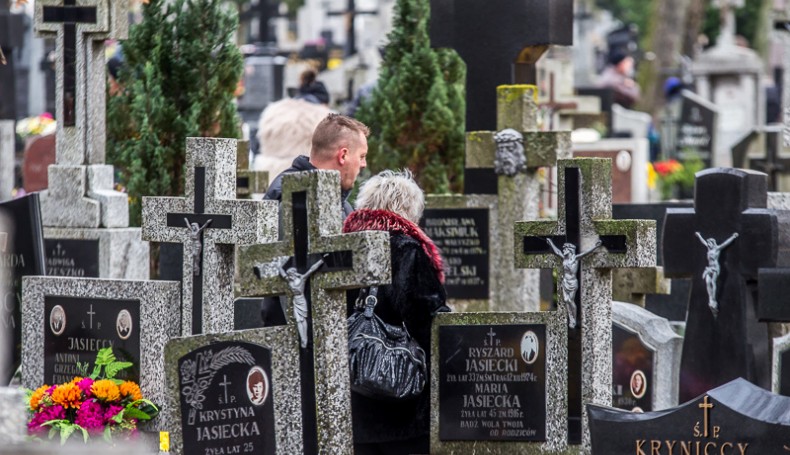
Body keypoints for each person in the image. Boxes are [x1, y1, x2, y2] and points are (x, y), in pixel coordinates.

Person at [342, 170, 450, 455]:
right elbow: (428, 319)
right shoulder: (408, 250)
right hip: (401, 404)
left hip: (354, 396)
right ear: (408, 209)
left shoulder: (345, 248)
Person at [264, 113, 369, 218]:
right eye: (361, 156)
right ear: (343, 156)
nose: (364, 164)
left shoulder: (342, 205)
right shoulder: (295, 199)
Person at [253, 69, 333, 178]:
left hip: (268, 174)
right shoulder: (327, 119)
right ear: (324, 102)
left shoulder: (273, 111)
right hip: (307, 178)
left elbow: (257, 146)